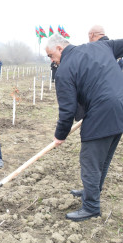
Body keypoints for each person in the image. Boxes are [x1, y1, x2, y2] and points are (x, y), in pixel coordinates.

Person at [45, 34, 123, 221]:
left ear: (60, 49)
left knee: (90, 162)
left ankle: (91, 206)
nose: (52, 60)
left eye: (50, 55)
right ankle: (91, 192)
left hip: (101, 114)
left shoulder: (64, 71)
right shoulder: (101, 47)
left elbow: (67, 109)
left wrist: (60, 135)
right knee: (101, 161)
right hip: (120, 109)